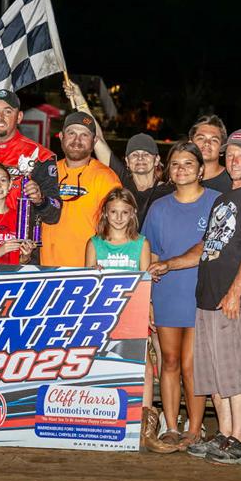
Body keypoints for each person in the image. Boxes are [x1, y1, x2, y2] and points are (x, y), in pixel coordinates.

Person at [154, 129, 241, 466]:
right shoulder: (224, 199)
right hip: (207, 298)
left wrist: (236, 291)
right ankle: (223, 435)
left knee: (231, 370)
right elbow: (207, 247)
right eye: (231, 154)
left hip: (231, 298)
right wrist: (169, 264)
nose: (235, 159)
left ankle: (238, 439)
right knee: (212, 373)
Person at [142, 142, 221, 453]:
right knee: (169, 362)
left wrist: (168, 264)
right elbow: (153, 253)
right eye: (175, 164)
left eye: (189, 163)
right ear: (168, 171)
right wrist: (148, 294)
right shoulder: (159, 208)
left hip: (201, 293)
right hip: (167, 294)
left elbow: (208, 249)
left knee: (192, 365)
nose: (182, 169)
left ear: (201, 169)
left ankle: (194, 428)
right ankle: (172, 426)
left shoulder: (217, 203)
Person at [83, 188, 156, 446]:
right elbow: (87, 283)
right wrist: (93, 274)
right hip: (104, 315)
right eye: (113, 212)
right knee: (104, 366)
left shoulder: (141, 243)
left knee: (145, 367)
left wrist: (149, 311)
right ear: (105, 213)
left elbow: (146, 282)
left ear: (133, 214)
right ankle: (102, 418)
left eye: (124, 212)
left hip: (133, 313)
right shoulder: (94, 243)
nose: (118, 217)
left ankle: (146, 422)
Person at [61, 80, 170, 228]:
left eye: (146, 154)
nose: (140, 158)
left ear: (157, 159)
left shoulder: (170, 191)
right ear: (127, 161)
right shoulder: (122, 180)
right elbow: (97, 138)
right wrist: (79, 98)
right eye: (134, 154)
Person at [0, 89, 61, 255]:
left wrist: (40, 200)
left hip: (20, 254)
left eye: (8, 111)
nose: (0, 117)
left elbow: (55, 213)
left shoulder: (40, 156)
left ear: (19, 117)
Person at [39, 112, 121, 267]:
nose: (77, 140)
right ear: (62, 136)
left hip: (87, 271)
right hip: (45, 270)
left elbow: (117, 226)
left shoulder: (106, 178)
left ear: (94, 141)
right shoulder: (47, 172)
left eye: (84, 135)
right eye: (71, 133)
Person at [190, 115, 233, 194]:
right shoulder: (178, 177)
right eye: (201, 138)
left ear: (222, 148)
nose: (207, 143)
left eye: (214, 140)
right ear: (190, 143)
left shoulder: (234, 182)